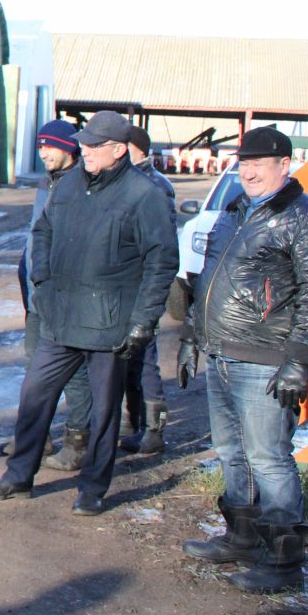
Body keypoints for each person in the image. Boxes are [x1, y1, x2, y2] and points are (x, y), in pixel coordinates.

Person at [0, 110, 177, 515]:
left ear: (119, 150)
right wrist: (44, 283)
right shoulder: (69, 185)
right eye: (83, 143)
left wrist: (143, 320)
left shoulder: (144, 195)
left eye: (93, 145)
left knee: (104, 415)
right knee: (34, 397)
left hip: (111, 325)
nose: (83, 150)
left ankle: (92, 489)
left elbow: (162, 262)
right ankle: (19, 476)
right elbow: (43, 231)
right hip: (60, 317)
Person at [178, 125, 308, 591]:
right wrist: (193, 335)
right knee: (231, 451)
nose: (246, 171)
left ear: (284, 166)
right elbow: (204, 281)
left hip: (266, 360)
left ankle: (284, 560)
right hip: (222, 353)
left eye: (257, 164)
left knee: (268, 457)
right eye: (242, 163)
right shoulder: (232, 213)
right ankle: (243, 536)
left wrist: (299, 359)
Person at [0, 120, 83, 465]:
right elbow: (35, 238)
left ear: (71, 148)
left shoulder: (82, 186)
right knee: (34, 370)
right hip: (37, 300)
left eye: (51, 145)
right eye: (40, 146)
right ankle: (35, 437)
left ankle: (79, 443)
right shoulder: (45, 184)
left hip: (67, 302)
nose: (44, 152)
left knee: (75, 375)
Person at [118, 124, 178, 455]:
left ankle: (154, 429)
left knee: (145, 356)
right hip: (126, 284)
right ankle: (132, 421)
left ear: (136, 150)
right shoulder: (130, 182)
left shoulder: (155, 186)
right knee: (128, 356)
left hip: (144, 286)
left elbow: (161, 244)